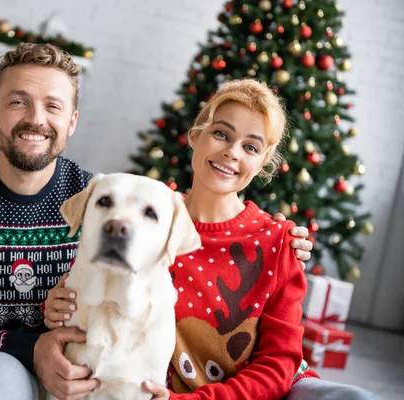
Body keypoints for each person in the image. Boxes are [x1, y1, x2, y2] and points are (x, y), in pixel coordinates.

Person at [0, 44, 312, 400]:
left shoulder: (103, 199)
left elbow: (178, 243)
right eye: (18, 101)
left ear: (71, 121)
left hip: (0, 378)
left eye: (52, 105)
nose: (35, 118)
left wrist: (282, 239)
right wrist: (32, 346)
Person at [44, 79, 378, 400]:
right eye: (221, 133)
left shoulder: (278, 241)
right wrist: (56, 304)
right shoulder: (150, 216)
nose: (232, 152)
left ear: (263, 162)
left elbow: (280, 365)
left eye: (250, 147)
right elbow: (88, 287)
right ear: (195, 135)